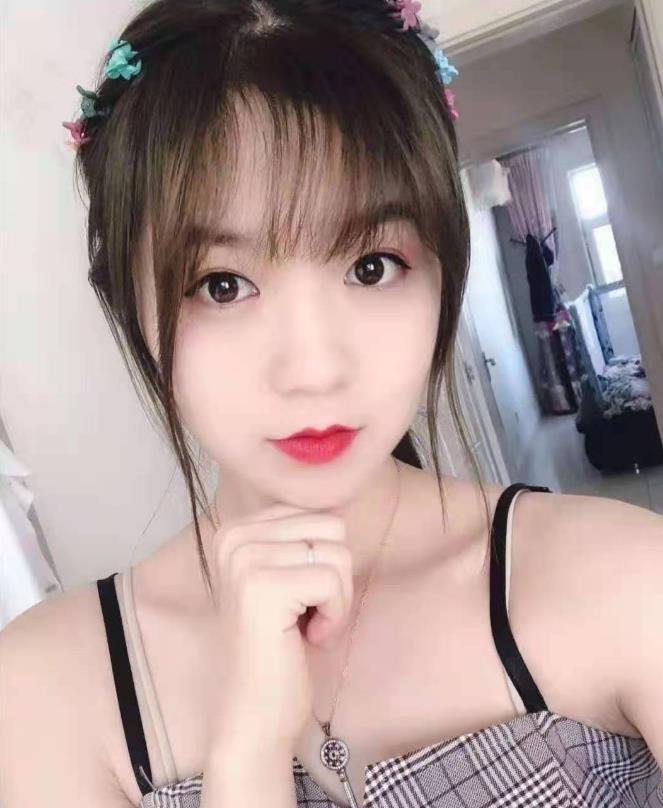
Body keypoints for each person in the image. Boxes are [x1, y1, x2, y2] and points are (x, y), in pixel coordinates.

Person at [1, 1, 662, 806]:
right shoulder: (47, 688)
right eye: (222, 285)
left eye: (371, 266)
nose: (313, 370)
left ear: (442, 272)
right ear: (126, 303)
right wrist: (248, 744)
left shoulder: (622, 579)